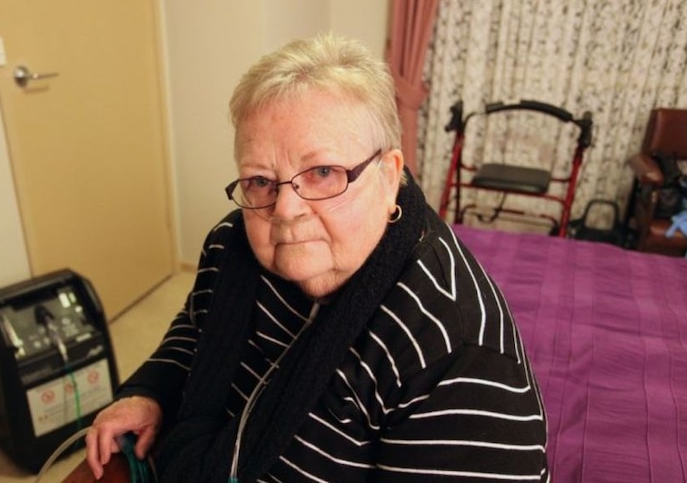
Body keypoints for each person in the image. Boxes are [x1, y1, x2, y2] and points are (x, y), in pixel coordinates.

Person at [85, 33, 549, 482]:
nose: (285, 210)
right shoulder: (232, 247)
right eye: (260, 180)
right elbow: (195, 328)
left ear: (390, 176)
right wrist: (150, 392)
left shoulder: (454, 351)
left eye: (324, 172)